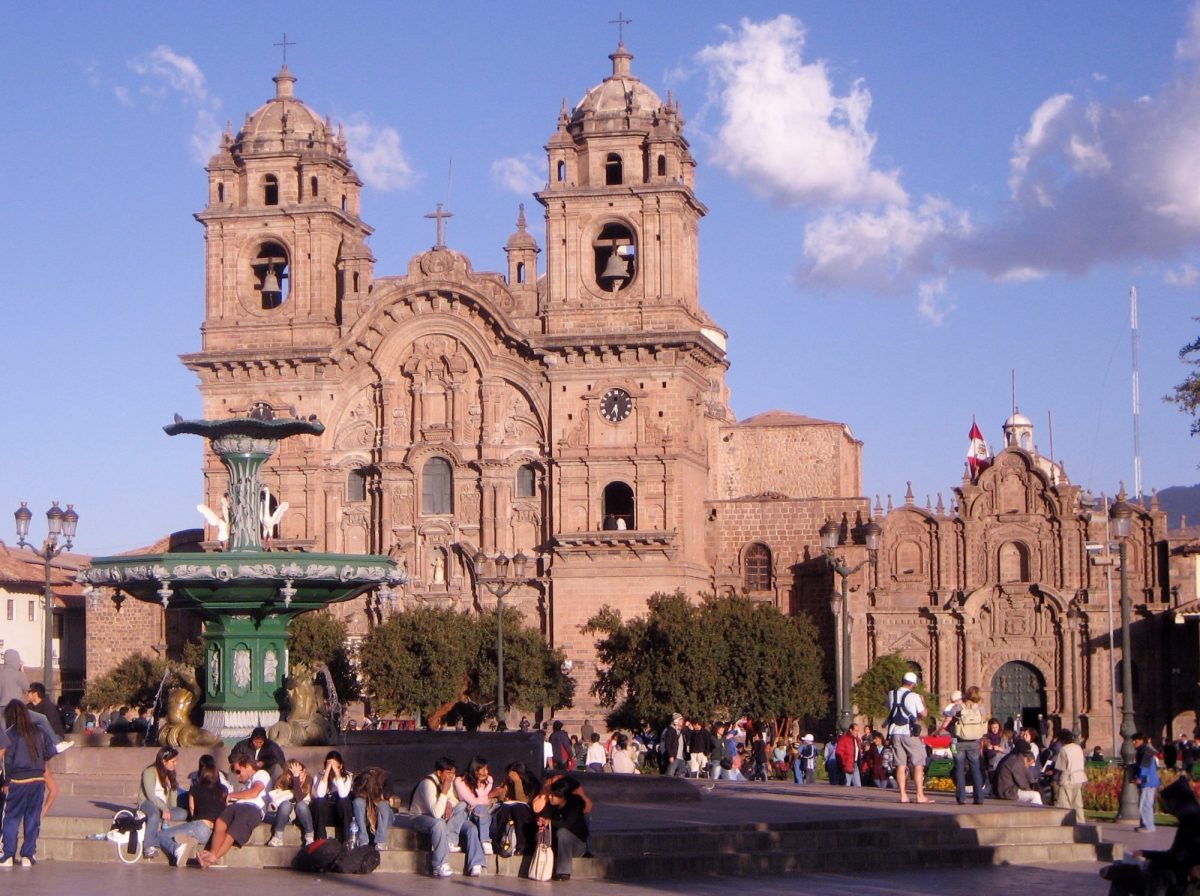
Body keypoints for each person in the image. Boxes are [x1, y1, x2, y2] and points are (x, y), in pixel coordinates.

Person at [1101, 775, 1200, 896]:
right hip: (1179, 874)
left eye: (1172, 808)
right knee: (1152, 873)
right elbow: (1174, 855)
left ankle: (1131, 872)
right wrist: (1146, 853)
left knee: (1159, 877)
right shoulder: (1190, 822)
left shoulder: (1192, 825)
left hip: (1184, 881)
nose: (1172, 811)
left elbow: (1178, 859)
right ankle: (1131, 872)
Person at [410, 756, 485, 878]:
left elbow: (456, 801)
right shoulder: (427, 784)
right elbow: (436, 813)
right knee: (438, 824)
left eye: (453, 773)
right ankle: (439, 865)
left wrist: (449, 803)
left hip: (443, 818)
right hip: (421, 818)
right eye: (448, 773)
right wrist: (444, 792)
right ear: (439, 772)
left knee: (471, 827)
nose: (451, 776)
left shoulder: (449, 782)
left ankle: (475, 863)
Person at [1, 699, 54, 866]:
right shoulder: (40, 731)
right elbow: (50, 752)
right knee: (32, 818)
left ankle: (8, 854)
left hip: (18, 779)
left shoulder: (9, 734)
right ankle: (28, 856)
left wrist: (6, 781)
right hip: (38, 779)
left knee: (11, 818)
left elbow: (6, 762)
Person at [198, 753, 270, 869]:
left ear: (247, 766)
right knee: (221, 821)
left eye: (238, 771)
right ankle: (212, 853)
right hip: (238, 806)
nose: (237, 776)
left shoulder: (261, 774)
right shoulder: (246, 783)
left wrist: (232, 795)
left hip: (253, 808)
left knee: (234, 830)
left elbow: (254, 792)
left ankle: (213, 857)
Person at [160, 754, 227, 867]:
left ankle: (177, 849)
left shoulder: (195, 788)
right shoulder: (223, 790)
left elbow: (192, 809)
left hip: (200, 826)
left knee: (161, 835)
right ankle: (189, 840)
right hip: (214, 832)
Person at [533, 775, 592, 882]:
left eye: (553, 796)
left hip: (577, 844)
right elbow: (542, 814)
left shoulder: (576, 802)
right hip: (558, 844)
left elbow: (569, 824)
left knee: (563, 833)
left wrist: (551, 822)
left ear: (562, 797)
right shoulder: (551, 805)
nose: (550, 797)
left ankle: (563, 872)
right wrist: (542, 821)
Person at [886, 671, 930, 803]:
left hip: (894, 732)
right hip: (909, 732)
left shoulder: (891, 694)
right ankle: (920, 795)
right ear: (913, 684)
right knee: (918, 763)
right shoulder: (914, 696)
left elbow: (891, 709)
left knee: (900, 764)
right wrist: (923, 702)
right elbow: (923, 714)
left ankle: (903, 795)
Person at [139, 745, 186, 859]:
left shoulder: (170, 773)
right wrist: (164, 809)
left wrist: (170, 810)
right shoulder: (149, 772)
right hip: (148, 803)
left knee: (183, 813)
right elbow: (151, 795)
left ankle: (160, 834)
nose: (175, 764)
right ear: (164, 761)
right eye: (173, 761)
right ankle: (148, 846)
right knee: (154, 814)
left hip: (164, 806)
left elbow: (173, 795)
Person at [950, 685, 987, 805]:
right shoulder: (981, 708)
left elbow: (948, 714)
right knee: (975, 769)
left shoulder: (958, 707)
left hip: (958, 742)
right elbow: (984, 721)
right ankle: (979, 798)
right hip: (975, 743)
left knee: (959, 769)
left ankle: (961, 798)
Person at [267, 759, 314, 847]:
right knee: (286, 804)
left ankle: (309, 837)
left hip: (303, 816)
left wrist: (296, 779)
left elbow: (299, 798)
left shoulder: (308, 780)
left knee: (301, 805)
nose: (300, 774)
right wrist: (294, 779)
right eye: (295, 772)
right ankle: (278, 836)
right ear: (288, 774)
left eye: (301, 771)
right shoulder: (281, 781)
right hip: (284, 816)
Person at [453, 756, 495, 855]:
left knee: (482, 808)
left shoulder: (489, 780)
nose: (486, 772)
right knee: (480, 808)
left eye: (487, 768)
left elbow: (482, 800)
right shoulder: (460, 781)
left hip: (483, 814)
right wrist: (488, 797)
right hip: (467, 813)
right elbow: (472, 801)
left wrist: (479, 785)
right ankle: (485, 841)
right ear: (475, 770)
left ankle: (485, 841)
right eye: (483, 769)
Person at [312, 749, 354, 842]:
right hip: (325, 814)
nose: (332, 770)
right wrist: (326, 773)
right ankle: (320, 839)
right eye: (330, 767)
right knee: (319, 801)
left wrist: (337, 774)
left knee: (344, 801)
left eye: (335, 767)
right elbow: (320, 794)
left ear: (341, 766)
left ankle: (347, 840)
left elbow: (343, 795)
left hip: (341, 814)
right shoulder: (318, 776)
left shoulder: (347, 776)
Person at [351, 765, 394, 849]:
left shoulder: (386, 777)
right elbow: (355, 794)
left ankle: (381, 841)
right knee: (358, 802)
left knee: (383, 805)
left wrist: (379, 797)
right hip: (366, 815)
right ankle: (363, 840)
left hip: (384, 817)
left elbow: (387, 795)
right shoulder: (360, 780)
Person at [993, 740, 1043, 804]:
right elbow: (1022, 783)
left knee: (1033, 794)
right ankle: (1038, 813)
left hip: (1002, 789)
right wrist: (1030, 789)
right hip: (1007, 792)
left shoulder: (1010, 757)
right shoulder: (1016, 761)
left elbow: (1027, 775)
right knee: (1035, 795)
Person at [1053, 729, 1087, 815]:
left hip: (1067, 779)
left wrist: (1059, 781)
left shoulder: (1064, 749)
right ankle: (1080, 823)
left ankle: (1066, 824)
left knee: (1064, 805)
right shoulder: (1078, 747)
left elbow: (1061, 767)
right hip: (1079, 778)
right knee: (1078, 806)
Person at [1133, 732, 1160, 833]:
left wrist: (1140, 777)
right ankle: (1146, 824)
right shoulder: (1144, 750)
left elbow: (1144, 767)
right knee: (1146, 804)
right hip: (1149, 781)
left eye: (1135, 740)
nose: (1133, 742)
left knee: (1145, 805)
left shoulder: (1145, 751)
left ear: (1140, 740)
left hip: (1148, 781)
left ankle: (1148, 826)